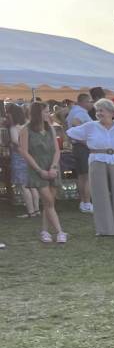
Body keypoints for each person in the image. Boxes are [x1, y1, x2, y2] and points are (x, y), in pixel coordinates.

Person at [66, 98, 114, 236]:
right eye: (97, 111)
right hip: (97, 160)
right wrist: (86, 143)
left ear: (111, 112)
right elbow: (70, 132)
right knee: (100, 194)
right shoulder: (90, 126)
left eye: (101, 110)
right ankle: (105, 229)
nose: (99, 113)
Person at [19, 102, 67, 243]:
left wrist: (53, 167)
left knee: (49, 203)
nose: (48, 114)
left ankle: (45, 231)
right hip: (37, 168)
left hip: (52, 166)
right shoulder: (25, 130)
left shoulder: (50, 128)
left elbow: (57, 150)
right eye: (46, 112)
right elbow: (24, 152)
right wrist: (39, 170)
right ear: (37, 113)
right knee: (49, 201)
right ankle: (59, 232)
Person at [7, 104, 39, 218]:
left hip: (19, 157)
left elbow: (16, 142)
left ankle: (30, 211)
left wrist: (11, 144)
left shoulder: (14, 128)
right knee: (32, 185)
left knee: (24, 186)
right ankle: (36, 210)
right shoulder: (28, 125)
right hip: (31, 156)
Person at [67, 93, 95, 212]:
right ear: (83, 102)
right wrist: (86, 141)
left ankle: (83, 202)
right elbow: (75, 123)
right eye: (90, 101)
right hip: (83, 147)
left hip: (77, 147)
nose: (92, 104)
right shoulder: (81, 112)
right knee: (87, 176)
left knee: (81, 176)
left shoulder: (73, 111)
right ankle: (87, 203)